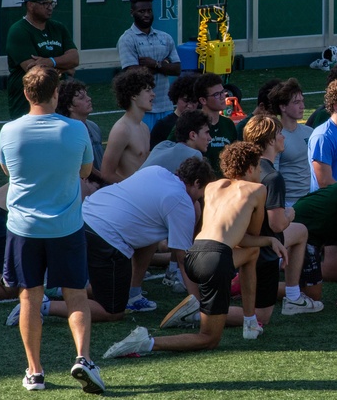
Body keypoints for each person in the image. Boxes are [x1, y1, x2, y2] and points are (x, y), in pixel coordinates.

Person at [104, 143, 291, 357]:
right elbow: (248, 238)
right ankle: (146, 342)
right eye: (258, 167)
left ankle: (247, 323)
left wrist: (267, 241)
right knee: (208, 339)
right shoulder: (258, 190)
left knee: (251, 254)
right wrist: (270, 239)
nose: (260, 172)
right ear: (249, 169)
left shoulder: (212, 187)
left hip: (194, 255)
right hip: (215, 260)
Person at [0, 65, 104, 393]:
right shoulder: (76, 130)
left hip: (23, 229)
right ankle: (83, 359)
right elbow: (86, 171)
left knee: (29, 298)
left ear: (27, 94)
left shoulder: (9, 131)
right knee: (76, 296)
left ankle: (34, 372)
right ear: (56, 94)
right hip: (66, 228)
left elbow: (7, 170)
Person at [6, 158, 211, 325]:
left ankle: (132, 293)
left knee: (148, 241)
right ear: (196, 183)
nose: (199, 199)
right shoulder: (181, 201)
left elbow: (148, 231)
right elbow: (183, 258)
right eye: (201, 193)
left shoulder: (156, 171)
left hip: (81, 219)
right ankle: (39, 306)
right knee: (112, 311)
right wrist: (198, 304)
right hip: (105, 237)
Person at [241, 115, 322, 320]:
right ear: (269, 141)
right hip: (263, 248)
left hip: (239, 241)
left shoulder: (244, 169)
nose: (283, 137)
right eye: (279, 133)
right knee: (261, 317)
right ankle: (200, 316)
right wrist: (289, 214)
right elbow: (276, 225)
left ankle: (293, 296)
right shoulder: (273, 177)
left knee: (301, 230)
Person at [6, 0, 79, 119]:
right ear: (30, 5)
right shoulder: (18, 31)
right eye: (44, 3)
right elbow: (35, 71)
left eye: (52, 3)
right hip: (27, 104)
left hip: (58, 100)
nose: (50, 7)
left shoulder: (58, 28)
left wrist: (50, 62)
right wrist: (64, 68)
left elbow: (74, 59)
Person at [117, 0, 181, 130]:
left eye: (149, 11)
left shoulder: (165, 38)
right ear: (132, 12)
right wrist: (163, 66)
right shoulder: (127, 39)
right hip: (143, 110)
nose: (146, 15)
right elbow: (133, 74)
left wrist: (154, 64)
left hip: (166, 106)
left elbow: (177, 69)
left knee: (168, 148)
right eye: (141, 11)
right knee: (144, 149)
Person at [101, 68, 155, 183]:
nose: (153, 95)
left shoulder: (144, 127)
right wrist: (130, 189)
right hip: (130, 195)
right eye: (148, 90)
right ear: (134, 95)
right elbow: (106, 173)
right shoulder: (122, 130)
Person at [269, 79, 314, 206]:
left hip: (311, 197)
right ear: (282, 107)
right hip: (288, 202)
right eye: (296, 102)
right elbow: (273, 175)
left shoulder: (310, 132)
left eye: (302, 101)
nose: (302, 106)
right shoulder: (275, 137)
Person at [185, 73, 238, 176]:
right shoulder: (189, 123)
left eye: (223, 92)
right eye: (217, 94)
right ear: (203, 100)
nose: (223, 97)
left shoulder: (228, 124)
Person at [56, 80, 105, 187]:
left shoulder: (93, 126)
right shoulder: (67, 132)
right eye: (82, 98)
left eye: (87, 95)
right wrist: (107, 180)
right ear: (69, 106)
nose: (89, 99)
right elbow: (86, 169)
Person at [142, 110, 210, 173]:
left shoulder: (162, 145)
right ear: (193, 135)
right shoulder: (194, 155)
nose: (210, 138)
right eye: (206, 132)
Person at [150, 75, 198, 148]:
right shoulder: (163, 125)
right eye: (185, 100)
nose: (190, 105)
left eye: (194, 101)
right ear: (176, 98)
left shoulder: (201, 123)